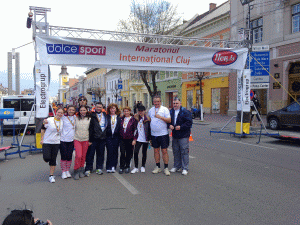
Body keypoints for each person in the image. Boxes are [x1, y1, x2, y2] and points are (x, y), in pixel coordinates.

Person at [148, 96, 171, 176]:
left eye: (158, 101)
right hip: (154, 134)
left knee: (164, 151)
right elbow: (149, 119)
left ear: (160, 101)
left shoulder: (164, 109)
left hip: (163, 134)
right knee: (156, 151)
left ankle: (166, 168)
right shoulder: (151, 110)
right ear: (153, 102)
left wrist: (160, 117)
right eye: (155, 102)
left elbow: (169, 120)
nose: (156, 103)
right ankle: (158, 167)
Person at [169, 98, 193, 175]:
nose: (175, 105)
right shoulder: (171, 111)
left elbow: (189, 123)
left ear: (180, 103)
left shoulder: (185, 112)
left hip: (183, 135)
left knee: (184, 151)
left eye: (177, 103)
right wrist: (170, 125)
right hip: (175, 135)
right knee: (175, 151)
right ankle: (176, 166)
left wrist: (181, 127)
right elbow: (168, 121)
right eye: (174, 103)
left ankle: (185, 168)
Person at [41, 108, 64, 183]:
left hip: (56, 143)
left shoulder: (62, 122)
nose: (60, 114)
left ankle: (51, 176)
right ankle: (51, 160)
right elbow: (42, 128)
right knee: (46, 157)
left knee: (53, 159)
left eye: (61, 113)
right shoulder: (49, 120)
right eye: (58, 112)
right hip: (47, 142)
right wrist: (42, 139)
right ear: (56, 112)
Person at [86, 102, 108, 176]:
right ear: (94, 107)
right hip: (93, 138)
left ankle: (99, 168)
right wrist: (89, 139)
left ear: (102, 108)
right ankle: (88, 168)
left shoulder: (105, 115)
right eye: (97, 107)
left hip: (102, 138)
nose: (99, 108)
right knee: (90, 154)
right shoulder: (91, 115)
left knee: (101, 154)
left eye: (100, 107)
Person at [131, 105, 151, 174]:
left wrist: (150, 139)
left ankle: (143, 166)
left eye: (142, 111)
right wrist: (134, 139)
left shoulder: (147, 119)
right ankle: (136, 167)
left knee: (144, 153)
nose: (140, 112)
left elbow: (149, 129)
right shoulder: (136, 118)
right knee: (136, 152)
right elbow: (134, 128)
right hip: (138, 139)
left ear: (144, 111)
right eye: (139, 111)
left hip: (145, 139)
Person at [73, 105, 91, 180]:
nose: (83, 112)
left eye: (84, 110)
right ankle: (76, 170)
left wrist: (90, 140)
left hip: (86, 139)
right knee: (79, 155)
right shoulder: (75, 118)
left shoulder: (89, 119)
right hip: (77, 139)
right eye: (81, 110)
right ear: (79, 111)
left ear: (87, 111)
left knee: (83, 156)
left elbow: (91, 130)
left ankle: (81, 169)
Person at [59, 105, 76, 179]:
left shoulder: (76, 117)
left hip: (72, 140)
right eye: (70, 110)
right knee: (63, 156)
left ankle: (67, 170)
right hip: (63, 139)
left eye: (72, 110)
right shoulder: (63, 117)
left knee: (69, 156)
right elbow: (55, 119)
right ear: (67, 110)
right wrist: (45, 121)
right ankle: (63, 171)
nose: (71, 111)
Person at [119, 107, 137, 174]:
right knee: (122, 153)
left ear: (130, 111)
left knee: (129, 153)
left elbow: (136, 130)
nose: (126, 113)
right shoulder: (121, 119)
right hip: (122, 139)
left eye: (127, 111)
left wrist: (134, 139)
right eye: (125, 111)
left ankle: (127, 166)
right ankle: (121, 167)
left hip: (130, 139)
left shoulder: (133, 120)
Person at [106, 103, 121, 173]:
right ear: (109, 109)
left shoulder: (119, 117)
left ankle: (113, 166)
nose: (112, 110)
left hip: (116, 136)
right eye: (111, 108)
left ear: (116, 109)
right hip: (108, 136)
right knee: (109, 151)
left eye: (114, 108)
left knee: (115, 152)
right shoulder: (107, 117)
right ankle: (108, 166)